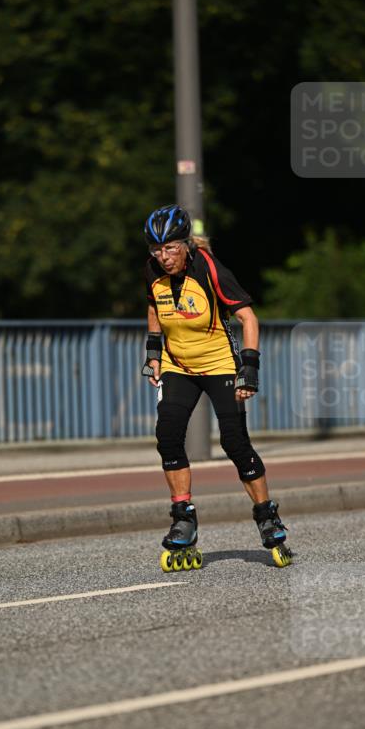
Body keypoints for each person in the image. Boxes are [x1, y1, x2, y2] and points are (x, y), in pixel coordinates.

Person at [141, 203, 292, 567]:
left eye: (171, 248)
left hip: (220, 363)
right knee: (168, 435)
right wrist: (153, 353)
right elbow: (153, 308)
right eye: (157, 250)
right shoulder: (152, 271)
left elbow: (248, 317)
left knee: (234, 441)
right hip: (179, 366)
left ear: (186, 245)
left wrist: (249, 369)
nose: (164, 257)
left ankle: (266, 515)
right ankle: (183, 519)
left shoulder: (209, 269)